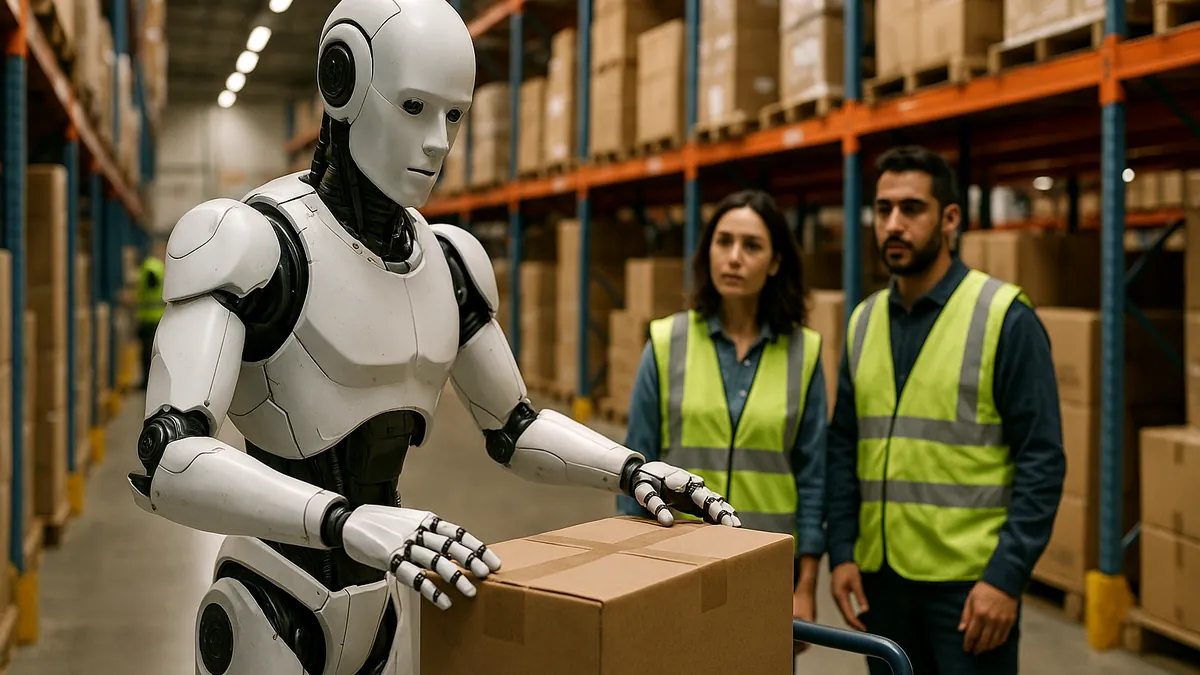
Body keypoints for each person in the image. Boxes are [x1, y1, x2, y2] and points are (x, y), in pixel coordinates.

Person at [125, 1, 740, 672]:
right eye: (414, 107)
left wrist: (630, 467)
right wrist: (344, 520)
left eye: (454, 115)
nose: (439, 142)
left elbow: (514, 426)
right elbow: (170, 457)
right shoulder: (250, 242)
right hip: (272, 587)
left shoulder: (449, 261)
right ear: (343, 81)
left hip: (394, 581)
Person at [825, 145, 1065, 675]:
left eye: (911, 209)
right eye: (883, 209)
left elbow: (1042, 459)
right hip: (881, 585)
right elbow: (843, 444)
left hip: (969, 593)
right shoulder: (863, 321)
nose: (892, 224)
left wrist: (1006, 576)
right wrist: (842, 551)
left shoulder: (1004, 317)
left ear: (950, 219)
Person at [618, 189, 828, 655]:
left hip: (767, 567)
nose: (734, 257)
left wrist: (806, 585)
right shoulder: (667, 342)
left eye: (752, 246)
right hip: (675, 566)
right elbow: (634, 470)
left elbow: (814, 479)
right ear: (707, 251)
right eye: (724, 241)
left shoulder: (804, 352)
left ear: (775, 263)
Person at [134, 244, 166, 389]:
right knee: (153, 353)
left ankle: (147, 383)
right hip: (156, 318)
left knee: (147, 354)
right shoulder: (158, 267)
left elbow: (150, 288)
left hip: (149, 319)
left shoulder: (150, 268)